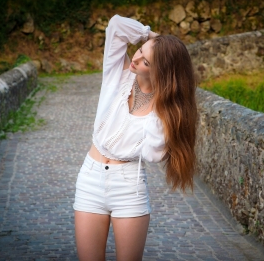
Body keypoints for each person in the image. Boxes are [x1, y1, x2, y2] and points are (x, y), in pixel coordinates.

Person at [73, 14, 197, 261]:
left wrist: (160, 103)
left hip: (129, 186)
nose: (136, 59)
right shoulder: (117, 75)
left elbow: (153, 154)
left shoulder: (166, 111)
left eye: (146, 63)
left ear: (161, 73)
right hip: (90, 178)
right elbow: (116, 25)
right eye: (139, 51)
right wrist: (154, 39)